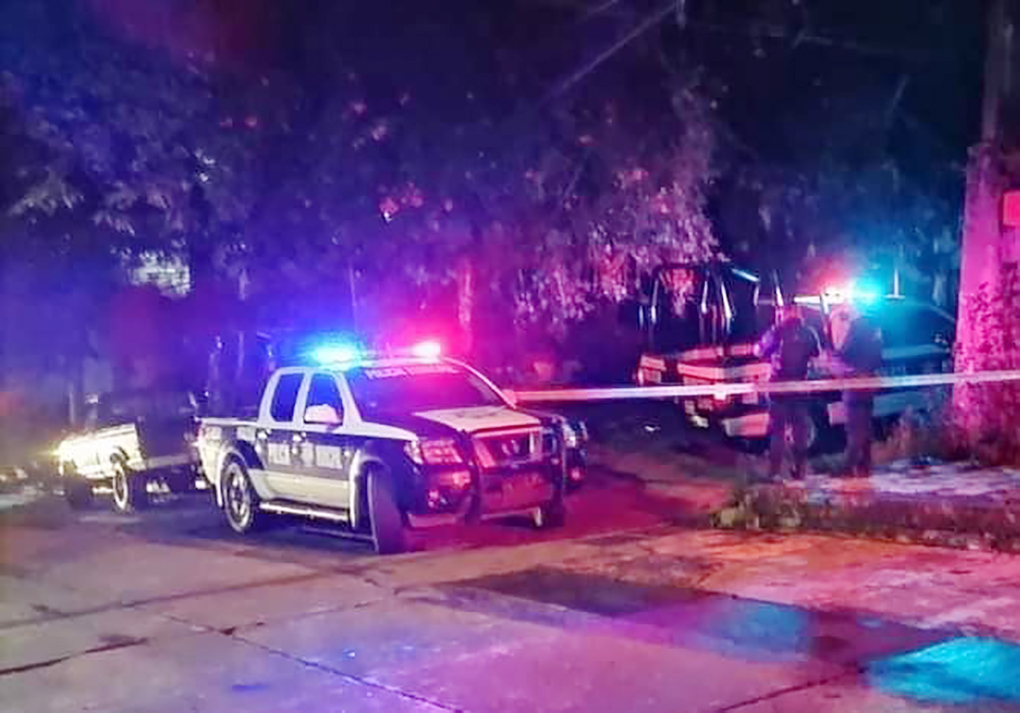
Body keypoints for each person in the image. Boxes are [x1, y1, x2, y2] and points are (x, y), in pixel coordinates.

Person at [755, 305, 821, 481]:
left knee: (777, 432)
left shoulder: (776, 331)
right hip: (800, 389)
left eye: (780, 312)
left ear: (784, 314)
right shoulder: (809, 332)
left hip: (778, 390)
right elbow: (817, 355)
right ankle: (800, 472)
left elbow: (758, 351)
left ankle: (774, 473)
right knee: (800, 433)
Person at [837, 306, 883, 477]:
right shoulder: (875, 327)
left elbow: (844, 353)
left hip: (854, 382)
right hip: (869, 381)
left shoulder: (856, 327)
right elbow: (878, 357)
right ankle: (865, 466)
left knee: (855, 428)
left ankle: (847, 468)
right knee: (866, 425)